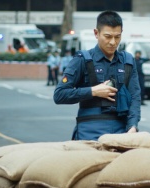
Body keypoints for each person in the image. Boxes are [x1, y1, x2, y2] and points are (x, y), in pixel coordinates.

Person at [54, 10, 141, 141]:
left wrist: (132, 126)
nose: (113, 42)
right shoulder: (82, 59)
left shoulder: (127, 61)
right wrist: (93, 91)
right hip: (89, 130)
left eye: (117, 37)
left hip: (122, 130)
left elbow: (135, 97)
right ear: (96, 33)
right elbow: (59, 95)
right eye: (108, 36)